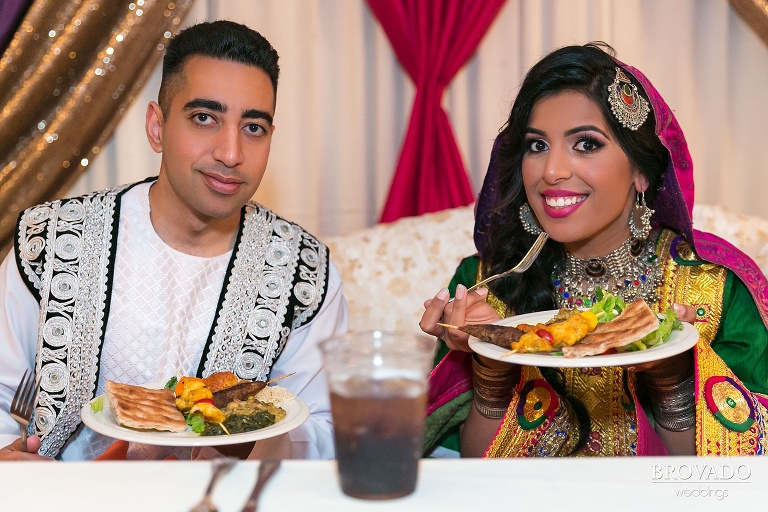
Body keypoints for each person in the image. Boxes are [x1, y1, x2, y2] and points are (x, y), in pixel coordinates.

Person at [0, 20, 348, 461]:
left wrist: (250, 434)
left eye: (253, 127)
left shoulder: (305, 270)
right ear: (158, 127)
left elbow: (324, 431)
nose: (231, 153)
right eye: (205, 118)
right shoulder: (52, 240)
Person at [420, 43, 768, 457]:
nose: (552, 171)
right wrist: (492, 366)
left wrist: (673, 378)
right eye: (537, 146)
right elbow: (471, 473)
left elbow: (738, 477)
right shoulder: (483, 287)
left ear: (642, 170)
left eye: (585, 144)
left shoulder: (714, 287)